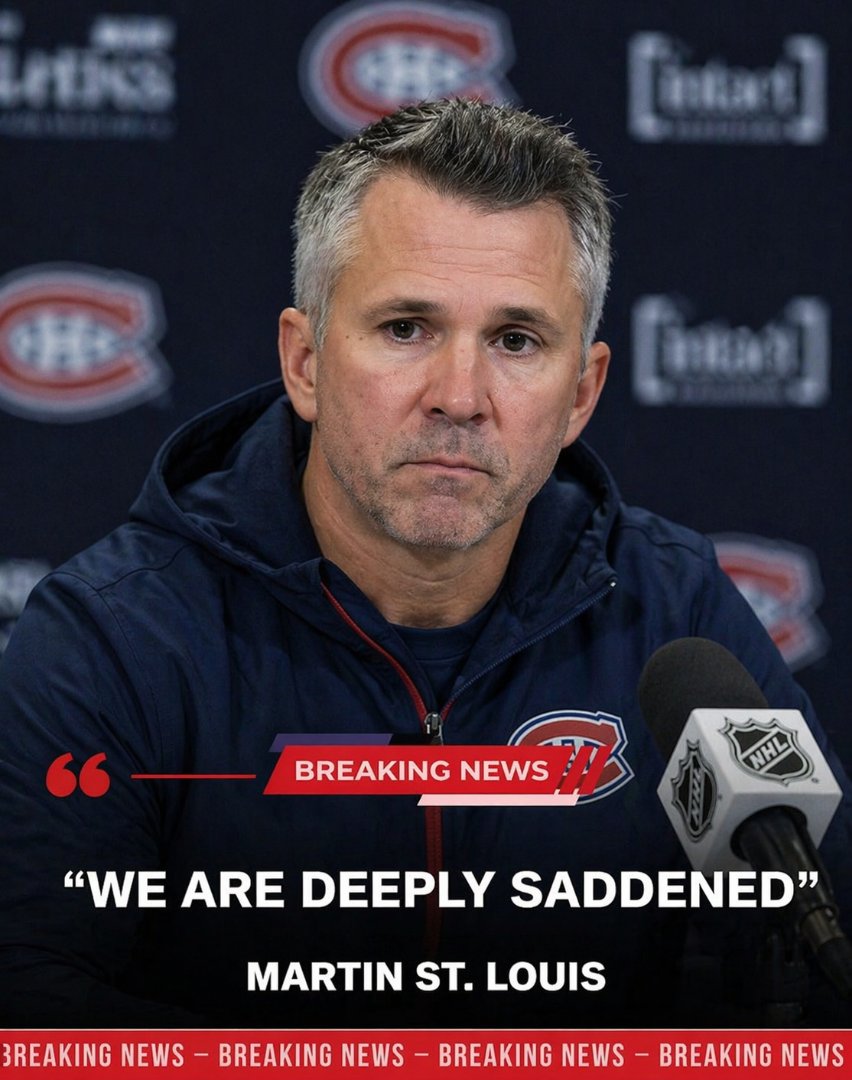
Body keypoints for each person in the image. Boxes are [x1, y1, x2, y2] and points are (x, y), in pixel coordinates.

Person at [0, 99, 850, 1028]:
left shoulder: (674, 612)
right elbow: (33, 1011)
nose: (460, 396)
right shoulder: (116, 638)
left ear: (581, 393)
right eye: (407, 327)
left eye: (516, 341)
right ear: (305, 361)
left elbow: (826, 956)